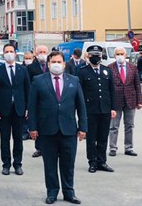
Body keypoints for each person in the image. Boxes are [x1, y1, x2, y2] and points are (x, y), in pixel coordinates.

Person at [28, 50, 87, 205]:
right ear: (48, 64)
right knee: (50, 163)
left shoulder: (74, 80)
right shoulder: (38, 80)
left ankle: (69, 192)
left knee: (68, 163)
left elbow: (81, 107)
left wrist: (83, 128)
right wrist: (32, 128)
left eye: (58, 62)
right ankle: (52, 192)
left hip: (68, 129)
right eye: (53, 62)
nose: (56, 65)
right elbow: (32, 106)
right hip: (47, 130)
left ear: (64, 64)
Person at [77, 45, 116, 174]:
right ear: (88, 56)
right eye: (93, 55)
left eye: (98, 55)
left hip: (105, 109)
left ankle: (102, 161)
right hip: (90, 110)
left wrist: (113, 107)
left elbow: (111, 91)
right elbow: (80, 93)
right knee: (91, 137)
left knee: (103, 137)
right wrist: (81, 110)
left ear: (101, 56)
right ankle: (92, 162)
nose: (95, 58)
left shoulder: (107, 71)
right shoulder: (83, 71)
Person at [0, 43, 30, 176]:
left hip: (19, 109)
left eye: (11, 51)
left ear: (15, 53)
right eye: (6, 51)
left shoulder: (23, 70)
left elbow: (28, 90)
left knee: (18, 138)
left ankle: (18, 164)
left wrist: (28, 108)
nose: (9, 53)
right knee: (4, 138)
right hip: (4, 110)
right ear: (3, 54)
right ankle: (6, 164)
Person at [108, 47, 142, 157]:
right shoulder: (109, 68)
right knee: (114, 127)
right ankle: (113, 148)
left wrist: (139, 101)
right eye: (118, 54)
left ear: (125, 55)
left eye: (122, 53)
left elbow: (137, 85)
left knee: (129, 125)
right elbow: (107, 87)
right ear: (114, 56)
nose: (120, 56)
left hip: (130, 100)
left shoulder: (133, 68)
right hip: (115, 101)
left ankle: (129, 147)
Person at [27, 45, 50, 157]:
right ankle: (39, 148)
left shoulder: (51, 66)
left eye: (44, 52)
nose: (42, 54)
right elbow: (28, 84)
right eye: (40, 52)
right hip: (37, 98)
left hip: (50, 99)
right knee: (38, 124)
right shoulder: (31, 67)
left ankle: (49, 147)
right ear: (36, 54)